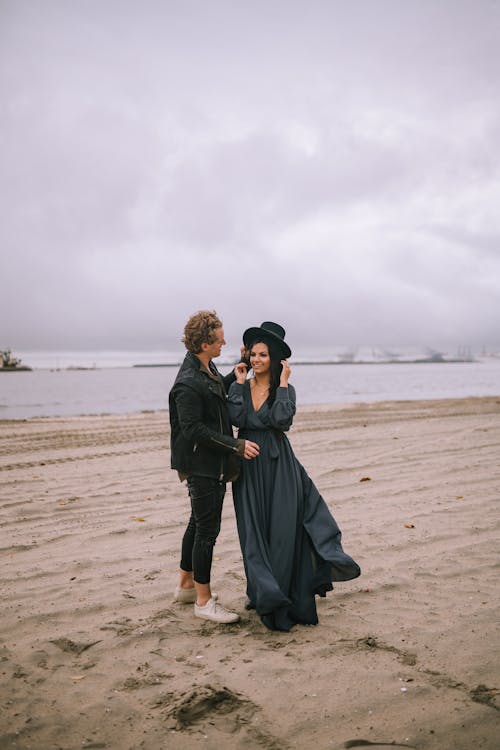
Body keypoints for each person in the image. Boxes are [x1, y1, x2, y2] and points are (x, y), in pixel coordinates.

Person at [227, 321, 361, 631]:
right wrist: (236, 383)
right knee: (253, 532)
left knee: (282, 532)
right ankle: (261, 590)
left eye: (263, 355)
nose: (257, 359)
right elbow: (235, 417)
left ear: (275, 359)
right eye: (253, 354)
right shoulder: (242, 385)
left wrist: (284, 383)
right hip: (248, 467)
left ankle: (281, 592)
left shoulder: (285, 389)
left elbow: (281, 421)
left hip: (279, 466)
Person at [169, 310, 259, 624]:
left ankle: (186, 586)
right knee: (208, 531)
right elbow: (193, 429)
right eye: (220, 339)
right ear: (206, 342)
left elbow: (213, 393)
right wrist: (235, 445)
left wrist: (234, 376)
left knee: (197, 522)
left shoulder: (204, 367)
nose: (225, 342)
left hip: (208, 463)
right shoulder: (187, 382)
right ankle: (204, 601)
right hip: (201, 465)